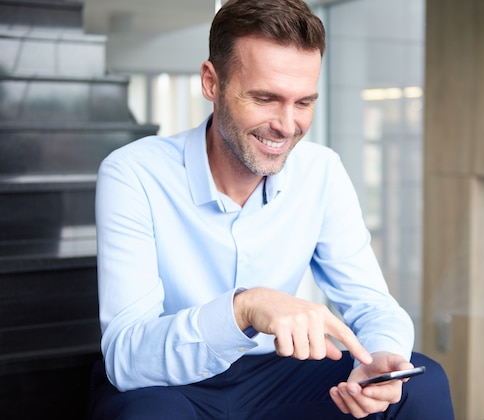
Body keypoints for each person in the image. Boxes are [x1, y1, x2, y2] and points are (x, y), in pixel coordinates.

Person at [88, 0, 454, 418]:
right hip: (170, 380)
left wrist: (380, 359)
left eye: (303, 103)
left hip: (277, 377)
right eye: (265, 98)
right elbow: (127, 358)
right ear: (211, 82)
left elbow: (373, 305)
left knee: (421, 386)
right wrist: (244, 308)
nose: (286, 124)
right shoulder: (134, 172)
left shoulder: (322, 171)